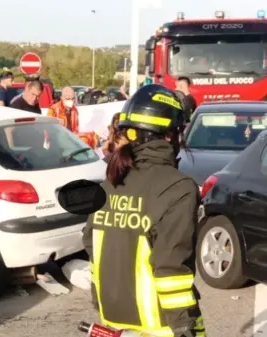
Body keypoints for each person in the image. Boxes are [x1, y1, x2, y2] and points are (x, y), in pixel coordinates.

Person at [82, 84, 206, 337]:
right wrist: (184, 327)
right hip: (160, 324)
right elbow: (171, 267)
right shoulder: (178, 187)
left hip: (112, 317)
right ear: (171, 135)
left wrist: (100, 300)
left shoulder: (111, 183)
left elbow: (92, 245)